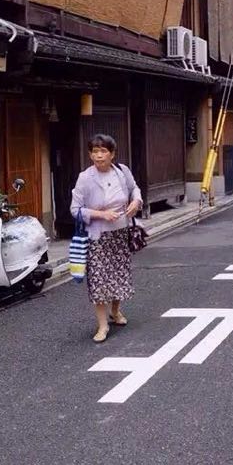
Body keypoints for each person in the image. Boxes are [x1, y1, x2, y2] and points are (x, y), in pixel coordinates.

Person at [69, 134, 142, 343]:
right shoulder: (85, 178)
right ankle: (102, 326)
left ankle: (116, 311)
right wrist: (101, 214)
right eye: (94, 151)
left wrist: (136, 201)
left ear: (112, 154)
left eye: (103, 151)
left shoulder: (121, 171)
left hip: (120, 233)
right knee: (99, 281)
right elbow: (75, 210)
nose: (98, 156)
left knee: (119, 276)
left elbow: (134, 188)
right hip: (97, 237)